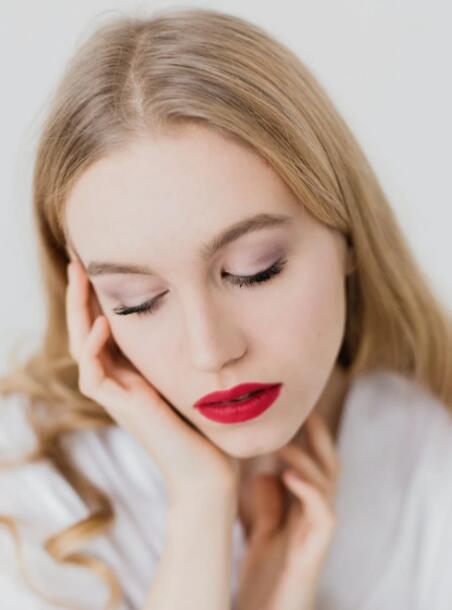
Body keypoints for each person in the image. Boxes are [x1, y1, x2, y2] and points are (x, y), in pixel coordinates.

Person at [0, 6, 451, 610]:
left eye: (254, 270)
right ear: (87, 302)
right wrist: (199, 507)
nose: (211, 350)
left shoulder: (431, 466)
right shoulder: (26, 486)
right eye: (137, 302)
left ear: (347, 232)